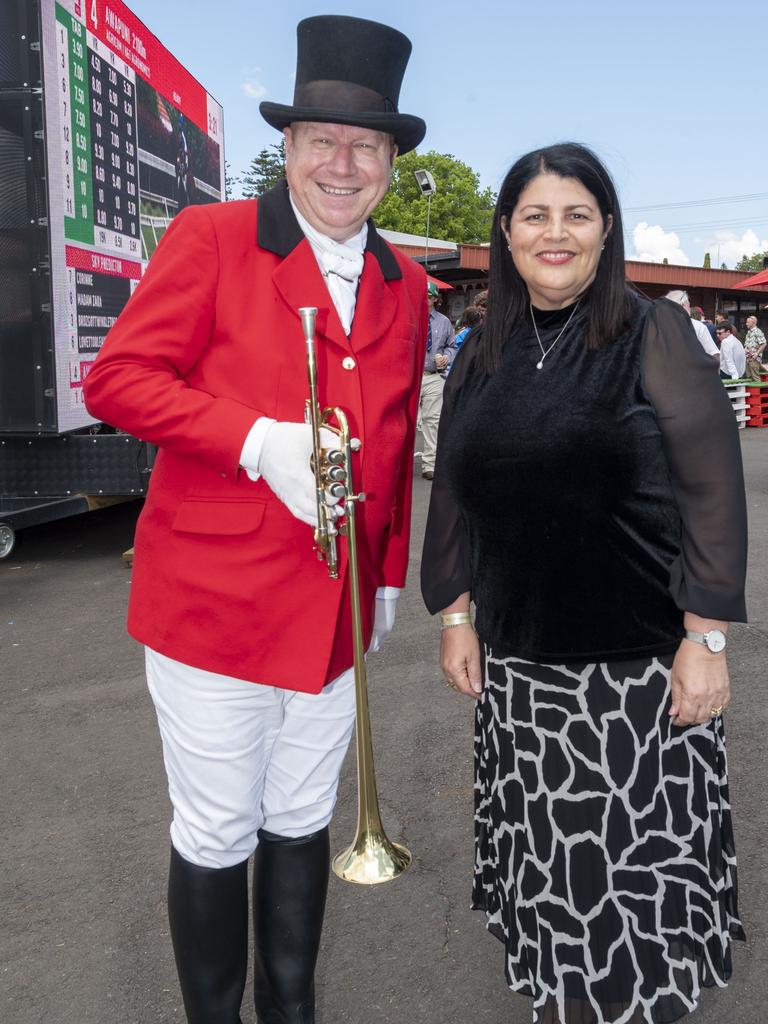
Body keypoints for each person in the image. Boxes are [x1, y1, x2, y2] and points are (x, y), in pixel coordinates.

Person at [83, 16, 427, 1024]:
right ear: (287, 148)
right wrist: (253, 439)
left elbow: (399, 446)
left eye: (366, 145)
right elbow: (119, 380)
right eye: (321, 138)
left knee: (300, 819)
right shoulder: (214, 238)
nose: (342, 162)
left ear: (392, 163)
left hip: (335, 617)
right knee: (221, 824)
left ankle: (291, 1010)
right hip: (215, 608)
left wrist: (392, 571)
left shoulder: (405, 284)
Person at [421, 142, 747, 1024]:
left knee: (635, 891)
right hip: (523, 675)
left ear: (606, 229)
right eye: (535, 214)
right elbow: (453, 488)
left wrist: (705, 636)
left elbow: (714, 494)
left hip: (639, 677)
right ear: (507, 231)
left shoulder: (654, 333)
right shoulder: (479, 352)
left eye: (576, 214)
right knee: (554, 883)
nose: (554, 232)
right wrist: (454, 614)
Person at [420, 280, 455, 480]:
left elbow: (451, 346)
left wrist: (446, 357)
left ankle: (430, 464)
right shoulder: (409, 317)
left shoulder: (443, 321)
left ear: (435, 299)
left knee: (432, 420)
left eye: (430, 296)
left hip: (433, 376)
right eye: (423, 296)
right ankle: (400, 463)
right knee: (404, 421)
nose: (426, 300)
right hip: (412, 377)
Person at [664, 289, 719, 359]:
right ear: (683, 305)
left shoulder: (659, 325)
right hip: (692, 367)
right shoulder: (698, 326)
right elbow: (714, 354)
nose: (689, 307)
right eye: (688, 303)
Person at [744, 314, 767, 381]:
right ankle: (751, 391)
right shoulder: (749, 332)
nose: (746, 324)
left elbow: (764, 343)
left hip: (754, 358)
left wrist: (756, 354)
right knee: (749, 377)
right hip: (748, 357)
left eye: (748, 322)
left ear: (753, 323)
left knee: (755, 377)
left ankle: (758, 390)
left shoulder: (757, 331)